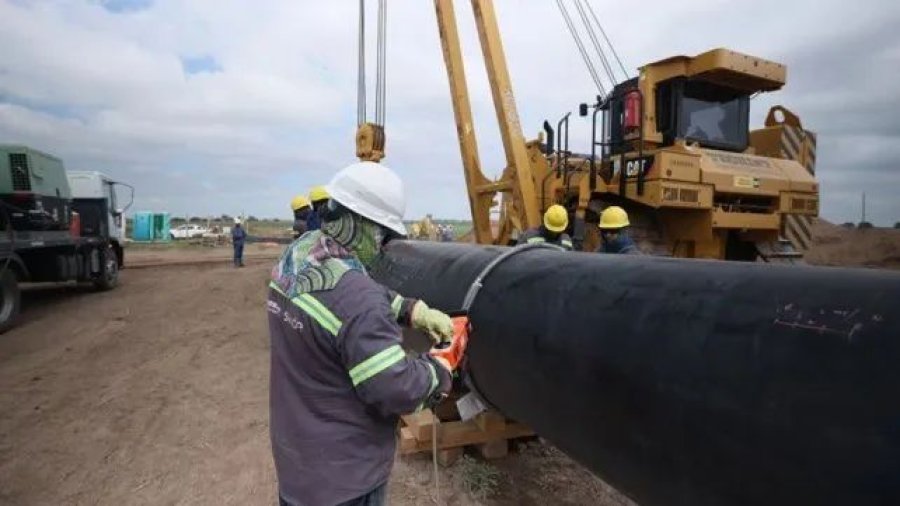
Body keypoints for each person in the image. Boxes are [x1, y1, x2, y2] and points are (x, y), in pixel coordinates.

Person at [268, 161, 466, 506]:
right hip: (345, 479)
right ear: (364, 227)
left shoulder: (298, 256)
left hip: (298, 460)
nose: (383, 245)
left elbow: (341, 300)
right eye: (384, 235)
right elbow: (395, 390)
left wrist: (411, 309)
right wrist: (439, 371)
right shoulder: (358, 301)